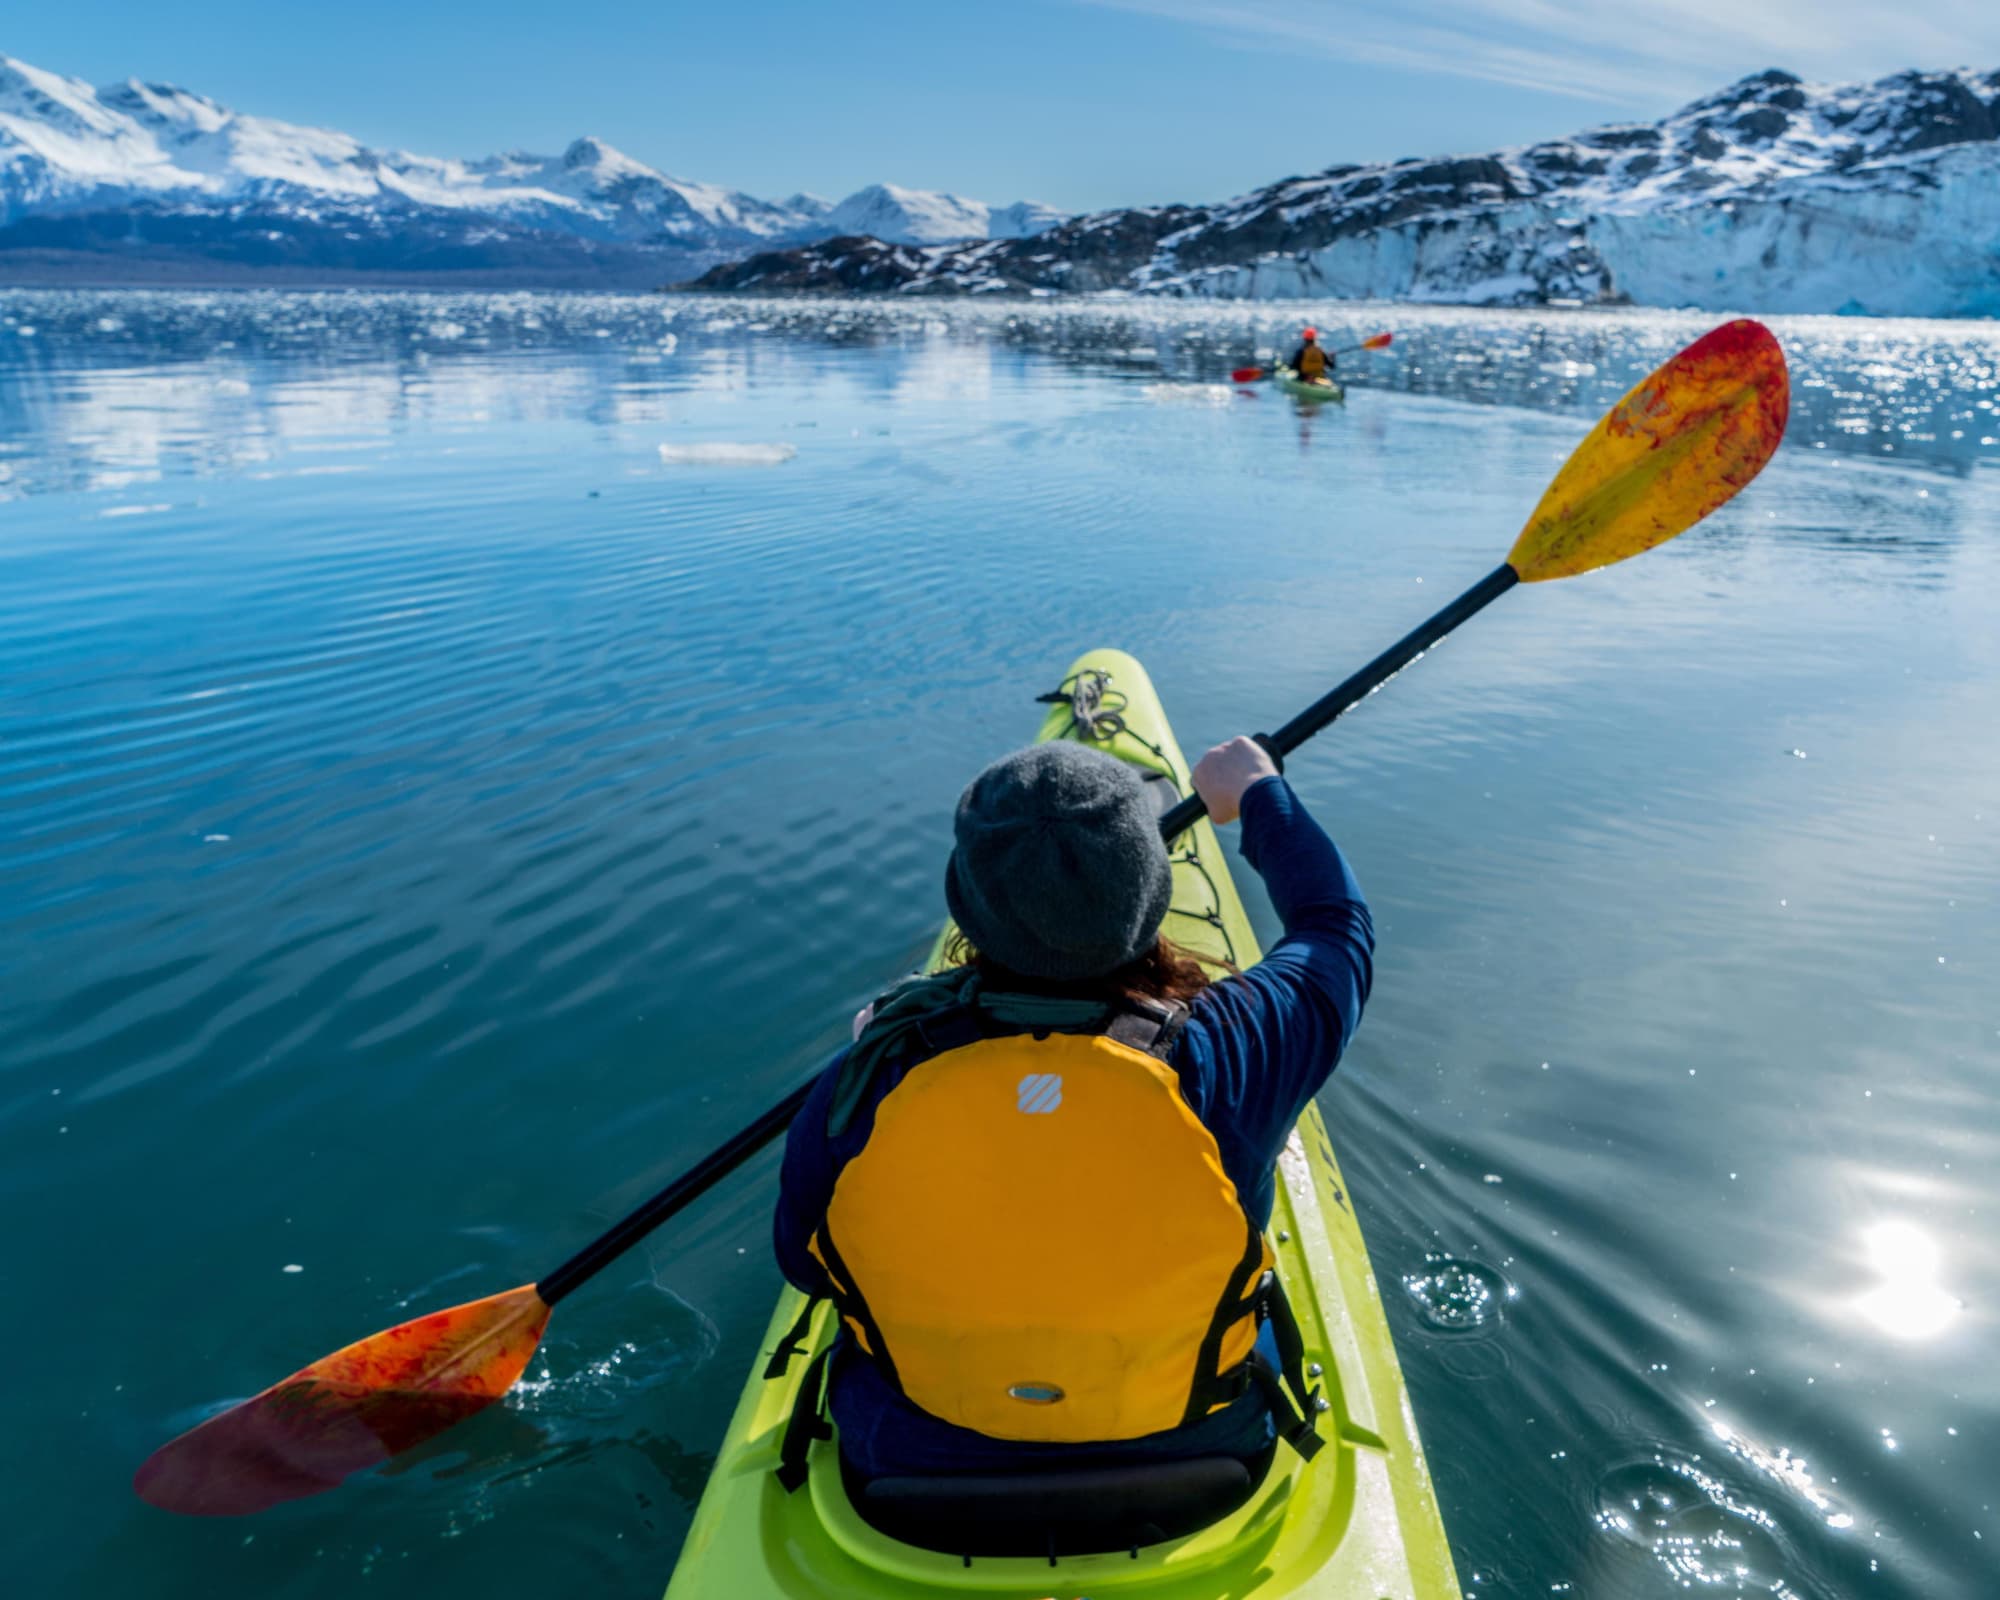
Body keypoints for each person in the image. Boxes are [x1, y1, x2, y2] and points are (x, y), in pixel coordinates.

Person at [773, 734, 1373, 1484]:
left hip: (910, 1460)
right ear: (1152, 893)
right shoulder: (1239, 1050)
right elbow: (1336, 927)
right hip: (1204, 1454)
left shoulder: (865, 1080)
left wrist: (877, 1055)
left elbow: (806, 1266)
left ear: (965, 902)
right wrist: (1258, 792)